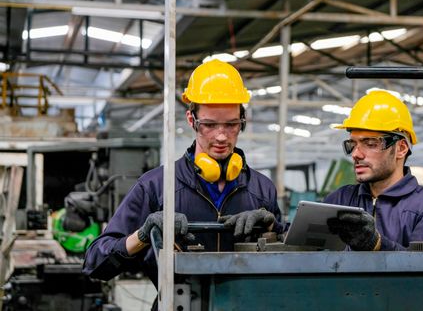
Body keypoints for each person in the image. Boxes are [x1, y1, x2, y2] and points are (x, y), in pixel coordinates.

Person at [83, 59, 284, 289]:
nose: (221, 136)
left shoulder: (261, 189)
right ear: (192, 120)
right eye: (209, 125)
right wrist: (142, 235)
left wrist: (272, 229)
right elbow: (94, 263)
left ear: (242, 122)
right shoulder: (157, 186)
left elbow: (298, 254)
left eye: (231, 125)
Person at [324, 90, 423, 251]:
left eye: (370, 143)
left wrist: (377, 244)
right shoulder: (339, 199)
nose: (355, 154)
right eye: (353, 144)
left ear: (401, 148)